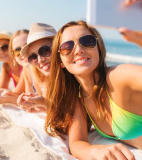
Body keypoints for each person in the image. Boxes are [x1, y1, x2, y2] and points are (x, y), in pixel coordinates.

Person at [45, 20, 142, 160]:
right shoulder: (79, 98)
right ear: (60, 61)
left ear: (99, 48)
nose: (78, 50)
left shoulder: (118, 77)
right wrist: (94, 151)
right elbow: (77, 143)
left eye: (87, 41)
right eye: (67, 47)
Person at [17, 22, 57, 112]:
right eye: (33, 57)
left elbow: (73, 116)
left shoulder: (74, 76)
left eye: (45, 50)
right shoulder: (46, 77)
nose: (40, 60)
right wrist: (36, 106)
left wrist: (43, 103)